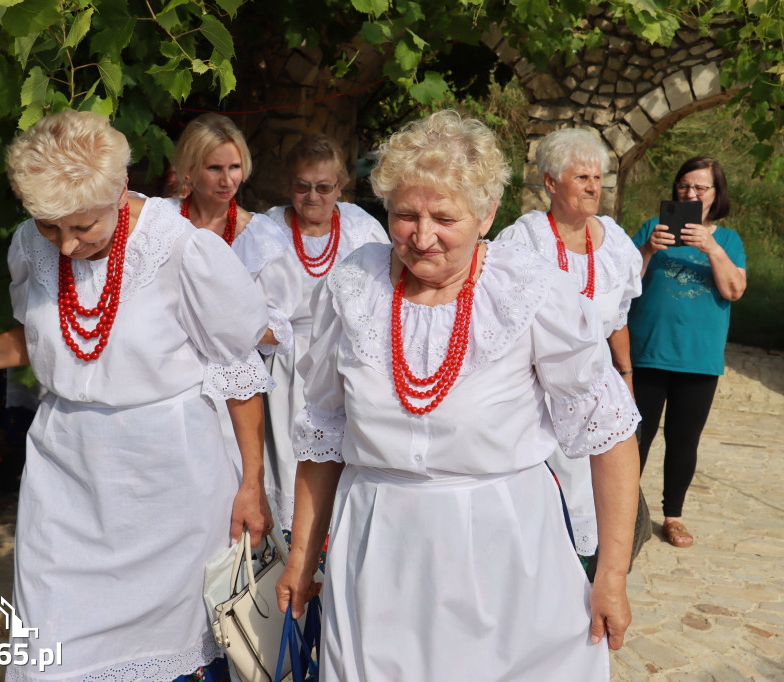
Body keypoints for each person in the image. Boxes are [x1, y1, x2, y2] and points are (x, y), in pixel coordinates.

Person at [0, 110, 273, 681]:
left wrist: (252, 484)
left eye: (83, 227)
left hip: (171, 484)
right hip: (66, 473)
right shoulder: (31, 242)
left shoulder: (182, 248)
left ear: (121, 192)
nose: (64, 247)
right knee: (52, 648)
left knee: (176, 652)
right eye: (50, 228)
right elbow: (44, 337)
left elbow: (237, 368)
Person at [275, 110, 641, 680]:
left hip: (505, 558)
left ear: (487, 214)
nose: (421, 238)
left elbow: (610, 433)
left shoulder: (530, 292)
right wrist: (302, 557)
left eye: (444, 218)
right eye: (403, 216)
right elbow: (323, 435)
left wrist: (610, 577)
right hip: (379, 555)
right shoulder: (352, 289)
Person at [497, 128, 642, 571]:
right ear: (550, 183)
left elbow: (616, 319)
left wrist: (627, 377)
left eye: (598, 178)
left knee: (596, 503)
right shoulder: (524, 242)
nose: (594, 187)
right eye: (582, 177)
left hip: (595, 390)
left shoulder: (614, 243)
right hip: (536, 391)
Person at [235, 133, 387, 532]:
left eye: (324, 187)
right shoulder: (265, 229)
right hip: (285, 366)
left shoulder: (360, 227)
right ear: (290, 187)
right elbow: (235, 300)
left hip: (345, 361)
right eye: (303, 186)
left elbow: (385, 293)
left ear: (340, 187)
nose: (313, 196)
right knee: (289, 459)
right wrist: (267, 336)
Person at [629, 156, 747, 548]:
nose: (690, 193)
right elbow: (622, 283)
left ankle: (673, 517)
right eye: (684, 185)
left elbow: (734, 290)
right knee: (635, 439)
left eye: (700, 187)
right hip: (645, 353)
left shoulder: (728, 241)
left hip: (698, 360)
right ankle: (624, 511)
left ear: (716, 194)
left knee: (683, 442)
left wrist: (710, 247)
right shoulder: (652, 228)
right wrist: (647, 249)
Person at [169, 113, 281, 477]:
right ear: (188, 169)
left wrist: (225, 324)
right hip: (167, 380)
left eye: (234, 167)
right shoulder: (163, 223)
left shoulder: (259, 236)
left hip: (231, 393)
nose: (226, 179)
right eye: (214, 167)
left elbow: (278, 327)